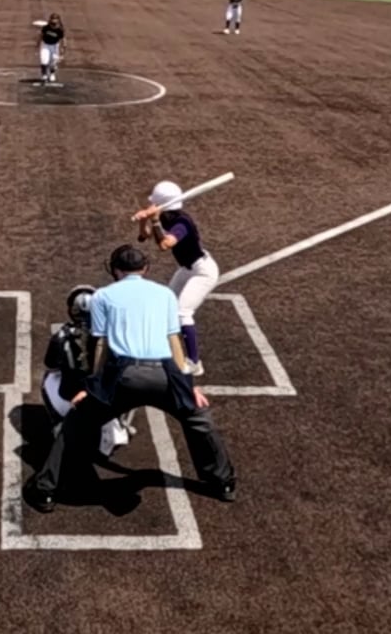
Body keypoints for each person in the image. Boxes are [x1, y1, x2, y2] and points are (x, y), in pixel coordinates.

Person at [23, 245, 236, 514]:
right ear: (145, 268)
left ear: (115, 270)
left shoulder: (103, 296)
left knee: (76, 423)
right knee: (199, 420)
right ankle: (223, 483)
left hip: (124, 376)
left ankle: (45, 490)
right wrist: (187, 387)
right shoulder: (165, 294)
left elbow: (100, 347)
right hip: (164, 374)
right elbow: (174, 342)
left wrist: (92, 388)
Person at [134, 181, 218, 376]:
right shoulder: (165, 217)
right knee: (166, 304)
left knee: (183, 312)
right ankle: (156, 347)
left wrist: (155, 220)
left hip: (202, 271)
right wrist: (143, 220)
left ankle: (194, 363)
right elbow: (143, 237)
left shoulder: (182, 223)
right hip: (187, 269)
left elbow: (165, 245)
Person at [41, 285, 137, 456]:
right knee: (131, 379)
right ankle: (120, 424)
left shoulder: (61, 336)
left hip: (71, 399)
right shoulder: (113, 335)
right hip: (105, 400)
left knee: (48, 378)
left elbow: (51, 364)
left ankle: (60, 422)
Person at [38, 13, 65, 83]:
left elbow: (63, 40)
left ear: (58, 20)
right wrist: (38, 44)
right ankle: (44, 75)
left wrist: (63, 50)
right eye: (52, 19)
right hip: (45, 45)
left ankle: (52, 74)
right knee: (44, 60)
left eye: (55, 19)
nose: (54, 21)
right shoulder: (46, 27)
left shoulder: (60, 30)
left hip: (54, 46)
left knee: (53, 62)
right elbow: (41, 36)